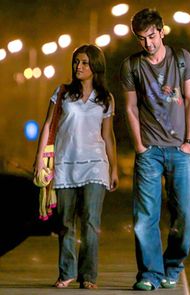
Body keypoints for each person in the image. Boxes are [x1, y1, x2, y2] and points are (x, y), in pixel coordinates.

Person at [120, 8, 190, 291]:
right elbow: (129, 108)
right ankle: (150, 274)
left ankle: (173, 266)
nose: (148, 44)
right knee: (144, 218)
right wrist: (140, 146)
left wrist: (189, 142)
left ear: (161, 32)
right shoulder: (131, 66)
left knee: (184, 215)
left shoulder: (181, 59)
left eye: (152, 36)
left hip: (180, 150)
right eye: (141, 38)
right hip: (149, 152)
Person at [34, 44, 119, 289]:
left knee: (91, 221)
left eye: (84, 62)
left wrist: (113, 168)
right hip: (65, 163)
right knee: (65, 221)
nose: (78, 67)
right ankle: (66, 272)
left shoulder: (105, 98)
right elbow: (48, 124)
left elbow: (108, 135)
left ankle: (88, 276)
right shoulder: (62, 92)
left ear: (95, 66)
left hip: (95, 164)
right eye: (76, 62)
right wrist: (40, 158)